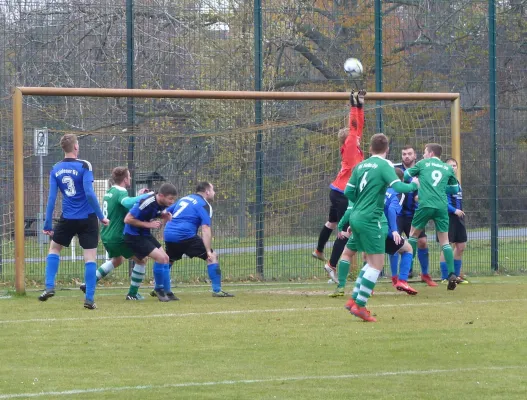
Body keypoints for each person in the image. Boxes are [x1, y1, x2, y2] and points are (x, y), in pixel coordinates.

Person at [341, 133, 418, 322]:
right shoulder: (385, 166)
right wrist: (413, 185)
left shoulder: (360, 166)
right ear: (387, 149)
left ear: (370, 149)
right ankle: (360, 305)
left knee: (370, 262)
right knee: (377, 264)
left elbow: (348, 191)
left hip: (356, 216)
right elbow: (398, 187)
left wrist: (362, 203)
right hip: (371, 219)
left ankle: (353, 300)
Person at [38, 133, 109, 310]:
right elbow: (90, 193)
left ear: (63, 148)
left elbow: (52, 198)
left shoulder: (55, 168)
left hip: (68, 217)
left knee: (54, 249)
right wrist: (101, 216)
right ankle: (89, 299)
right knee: (90, 257)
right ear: (76, 147)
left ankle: (49, 286)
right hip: (87, 218)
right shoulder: (84, 165)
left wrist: (47, 223)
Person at [329, 168, 417, 298]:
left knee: (351, 254)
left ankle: (341, 287)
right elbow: (392, 210)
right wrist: (394, 231)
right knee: (407, 249)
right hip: (381, 228)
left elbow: (355, 208)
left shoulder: (375, 190)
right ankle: (402, 280)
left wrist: (350, 225)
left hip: (361, 224)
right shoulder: (398, 192)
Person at [312, 90, 365, 283]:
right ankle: (331, 265)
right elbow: (353, 129)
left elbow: (358, 128)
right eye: (355, 136)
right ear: (348, 141)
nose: (359, 136)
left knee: (332, 223)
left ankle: (319, 250)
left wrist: (361, 104)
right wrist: (353, 105)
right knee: (346, 229)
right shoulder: (351, 147)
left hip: (336, 191)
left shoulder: (354, 147)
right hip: (344, 194)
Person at [79, 167, 152, 299]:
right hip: (118, 236)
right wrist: (145, 196)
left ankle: (88, 283)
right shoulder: (121, 192)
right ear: (125, 179)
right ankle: (133, 294)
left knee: (117, 260)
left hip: (106, 234)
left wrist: (137, 195)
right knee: (142, 260)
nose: (130, 178)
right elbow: (127, 203)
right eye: (129, 176)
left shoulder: (110, 191)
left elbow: (122, 204)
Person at [403, 143, 460, 290]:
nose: (423, 155)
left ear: (430, 153)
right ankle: (452, 274)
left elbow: (406, 175)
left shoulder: (422, 164)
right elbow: (455, 188)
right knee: (445, 241)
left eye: (424, 152)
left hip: (425, 204)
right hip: (441, 206)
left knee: (412, 235)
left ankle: (405, 274)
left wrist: (419, 185)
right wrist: (439, 188)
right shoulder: (447, 167)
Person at [163, 182, 234, 298]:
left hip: (169, 234)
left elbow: (165, 212)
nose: (214, 193)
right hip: (185, 235)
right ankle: (217, 290)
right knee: (212, 257)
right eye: (213, 190)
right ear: (207, 192)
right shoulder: (204, 205)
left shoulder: (185, 198)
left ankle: (160, 288)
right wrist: (208, 251)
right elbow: (205, 228)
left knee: (168, 260)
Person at [123, 183, 177, 302]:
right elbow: (127, 219)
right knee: (160, 258)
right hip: (133, 236)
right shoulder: (147, 202)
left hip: (144, 234)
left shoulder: (160, 203)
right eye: (170, 199)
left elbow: (151, 213)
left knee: (166, 258)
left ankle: (167, 291)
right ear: (161, 195)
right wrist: (149, 224)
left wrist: (163, 216)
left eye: (174, 199)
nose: (172, 201)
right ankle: (158, 289)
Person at [392, 146, 436, 286]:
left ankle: (425, 274)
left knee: (422, 242)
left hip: (415, 214)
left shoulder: (421, 169)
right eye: (404, 154)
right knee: (393, 243)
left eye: (409, 153)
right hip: (398, 214)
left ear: (415, 155)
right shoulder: (395, 169)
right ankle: (395, 277)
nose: (406, 156)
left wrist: (421, 197)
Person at [439, 158, 468, 285]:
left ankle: (455, 276)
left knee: (461, 246)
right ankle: (445, 277)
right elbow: (442, 200)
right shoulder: (443, 182)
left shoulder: (456, 181)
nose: (452, 168)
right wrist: (453, 210)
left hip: (459, 217)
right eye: (449, 166)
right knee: (447, 246)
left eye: (454, 165)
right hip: (448, 217)